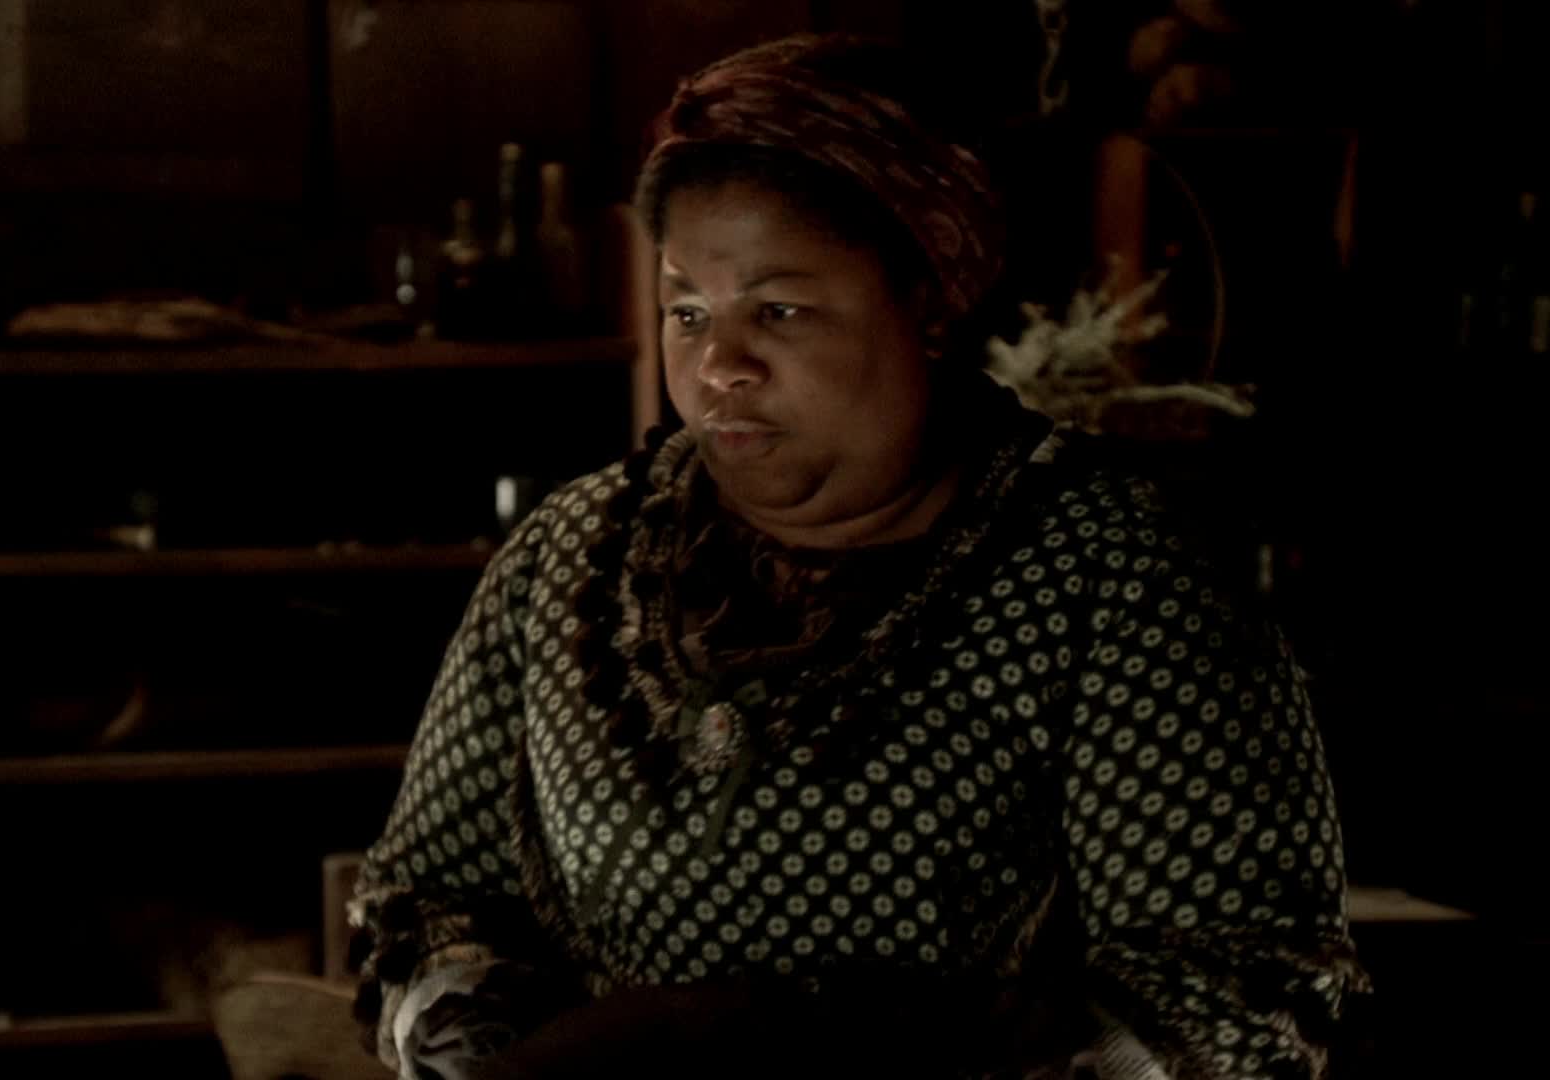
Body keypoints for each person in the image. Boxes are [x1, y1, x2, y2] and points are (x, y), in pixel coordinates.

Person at [348, 34, 1364, 1080]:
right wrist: (509, 1054)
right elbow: (428, 900)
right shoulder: (572, 556)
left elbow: (1236, 985)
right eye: (687, 311)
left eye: (779, 310)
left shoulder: (1115, 578)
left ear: (929, 305)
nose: (719, 364)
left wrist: (797, 1043)